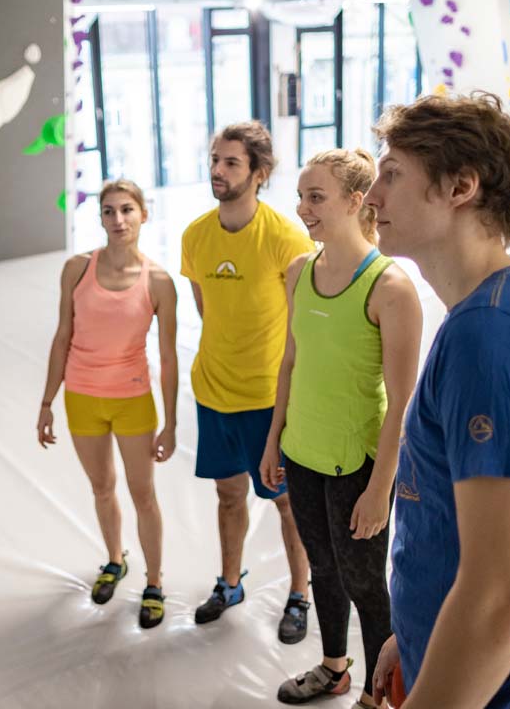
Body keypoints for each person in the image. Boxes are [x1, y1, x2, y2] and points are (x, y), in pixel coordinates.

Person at [365, 93, 510, 708]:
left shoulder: (494, 337)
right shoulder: (494, 308)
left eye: (392, 176)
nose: (372, 198)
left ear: (460, 187)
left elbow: (501, 596)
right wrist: (415, 635)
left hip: (507, 691)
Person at [259, 150, 422, 706]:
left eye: (316, 197)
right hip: (302, 451)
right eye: (301, 195)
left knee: (366, 584)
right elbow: (290, 360)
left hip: (358, 463)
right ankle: (334, 668)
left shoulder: (391, 287)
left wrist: (381, 489)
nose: (303, 208)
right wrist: (274, 436)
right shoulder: (300, 271)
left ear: (357, 202)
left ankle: (379, 694)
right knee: (322, 570)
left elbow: (402, 401)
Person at [181, 121, 316, 642]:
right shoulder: (195, 236)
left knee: (286, 501)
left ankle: (300, 594)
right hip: (214, 391)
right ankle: (230, 583)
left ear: (259, 174)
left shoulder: (287, 238)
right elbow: (205, 309)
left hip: (269, 399)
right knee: (228, 496)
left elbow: (301, 322)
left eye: (231, 162)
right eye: (215, 158)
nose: (217, 169)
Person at [38, 179, 179, 629]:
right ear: (99, 218)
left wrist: (171, 422)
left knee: (143, 495)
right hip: (82, 398)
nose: (117, 220)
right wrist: (47, 402)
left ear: (143, 214)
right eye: (108, 211)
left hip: (133, 400)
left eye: (126, 210)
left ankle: (154, 582)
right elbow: (63, 336)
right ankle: (115, 560)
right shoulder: (76, 269)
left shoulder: (158, 282)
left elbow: (170, 355)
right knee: (102, 488)